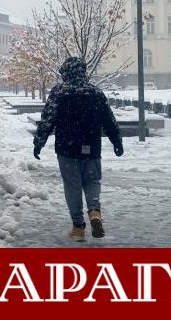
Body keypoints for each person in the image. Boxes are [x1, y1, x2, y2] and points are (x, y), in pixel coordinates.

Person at [33, 56, 124, 242]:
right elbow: (109, 120)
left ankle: (78, 226)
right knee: (92, 181)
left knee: (72, 186)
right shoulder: (96, 93)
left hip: (67, 149)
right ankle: (94, 211)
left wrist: (39, 142)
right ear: (83, 72)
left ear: (66, 73)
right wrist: (117, 141)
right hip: (91, 147)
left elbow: (48, 119)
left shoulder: (60, 92)